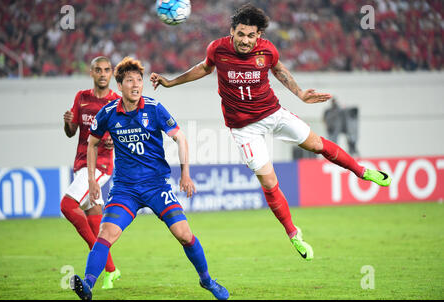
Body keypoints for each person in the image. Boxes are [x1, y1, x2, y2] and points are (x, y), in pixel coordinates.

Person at [150, 4, 392, 261]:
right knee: (269, 182)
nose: (245, 40)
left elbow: (278, 69)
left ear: (259, 36)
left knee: (316, 145)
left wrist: (299, 93)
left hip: (272, 113)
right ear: (232, 31)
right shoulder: (217, 49)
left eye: (250, 35)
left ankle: (362, 171)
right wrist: (171, 81)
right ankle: (293, 233)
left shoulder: (267, 51)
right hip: (244, 129)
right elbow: (204, 67)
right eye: (240, 34)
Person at [70, 57, 229, 300]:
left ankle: (207, 281)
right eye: (129, 81)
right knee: (105, 235)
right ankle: (88, 285)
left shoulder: (154, 108)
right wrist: (92, 180)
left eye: (138, 80)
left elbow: (181, 138)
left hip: (157, 185)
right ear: (120, 85)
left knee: (184, 234)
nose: (135, 85)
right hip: (125, 190)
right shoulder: (108, 113)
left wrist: (185, 173)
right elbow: (91, 144)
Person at [61, 56, 121, 289]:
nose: (103, 74)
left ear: (111, 73)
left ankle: (94, 252)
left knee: (67, 206)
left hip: (100, 166)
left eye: (107, 70)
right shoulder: (81, 98)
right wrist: (67, 123)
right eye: (99, 70)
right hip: (80, 164)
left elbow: (125, 131)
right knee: (95, 218)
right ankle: (111, 271)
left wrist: (114, 141)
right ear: (92, 73)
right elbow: (71, 132)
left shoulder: (117, 101)